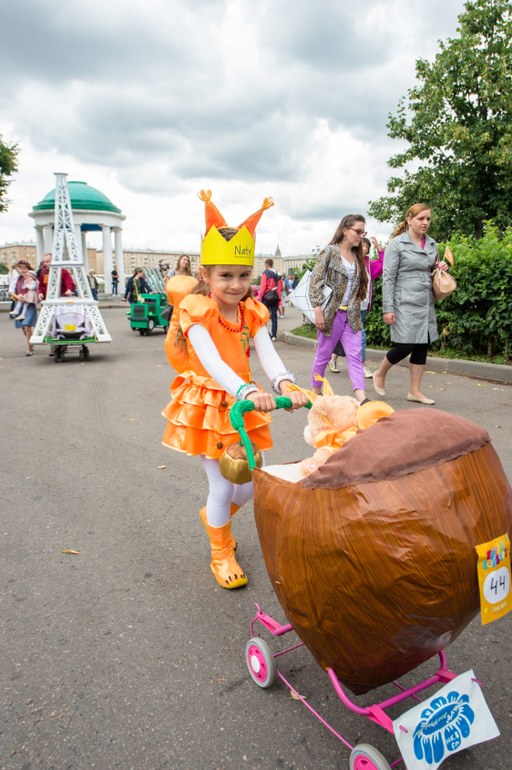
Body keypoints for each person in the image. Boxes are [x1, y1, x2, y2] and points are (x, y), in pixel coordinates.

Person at [162, 190, 308, 590]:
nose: (236, 284)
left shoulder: (252, 311)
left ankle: (215, 517)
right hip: (210, 401)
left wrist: (285, 383)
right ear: (207, 276)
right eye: (225, 275)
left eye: (244, 276)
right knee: (223, 485)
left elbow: (268, 353)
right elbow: (212, 362)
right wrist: (244, 389)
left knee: (248, 483)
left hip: (243, 400)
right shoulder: (197, 309)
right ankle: (220, 550)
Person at [372, 204, 447, 405]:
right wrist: (388, 308)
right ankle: (380, 373)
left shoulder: (431, 244)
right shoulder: (396, 245)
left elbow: (430, 267)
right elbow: (388, 278)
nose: (425, 223)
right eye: (421, 218)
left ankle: (415, 391)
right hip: (403, 302)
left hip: (425, 302)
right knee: (406, 344)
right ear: (409, 219)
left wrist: (440, 266)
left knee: (423, 343)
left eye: (428, 219)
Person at [309, 214, 369, 403]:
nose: (361, 236)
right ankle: (315, 392)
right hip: (330, 314)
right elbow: (315, 282)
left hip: (351, 314)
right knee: (324, 356)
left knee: (355, 356)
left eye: (363, 232)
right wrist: (318, 311)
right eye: (358, 231)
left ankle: (362, 399)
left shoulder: (357, 255)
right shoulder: (330, 252)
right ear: (345, 230)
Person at [329, 236, 384, 377]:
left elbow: (383, 266)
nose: (365, 249)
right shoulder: (349, 261)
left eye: (367, 247)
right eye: (363, 246)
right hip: (350, 306)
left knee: (347, 334)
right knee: (361, 336)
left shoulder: (368, 264)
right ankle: (363, 366)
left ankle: (333, 358)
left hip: (364, 306)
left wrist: (379, 249)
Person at [9, 261, 38, 356]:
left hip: (29, 303)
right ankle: (31, 340)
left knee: (27, 325)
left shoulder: (32, 277)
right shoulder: (17, 278)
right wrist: (17, 297)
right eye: (21, 269)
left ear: (29, 269)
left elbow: (36, 287)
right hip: (19, 303)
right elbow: (11, 290)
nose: (22, 270)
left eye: (24, 269)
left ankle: (29, 348)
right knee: (23, 328)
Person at [259, 258, 283, 341]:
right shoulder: (278, 274)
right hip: (276, 297)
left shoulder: (265, 273)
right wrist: (279, 297)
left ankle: (265, 334)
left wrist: (260, 297)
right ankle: (274, 335)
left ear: (266, 264)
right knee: (274, 316)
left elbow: (263, 287)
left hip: (267, 297)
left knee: (263, 316)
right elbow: (282, 287)